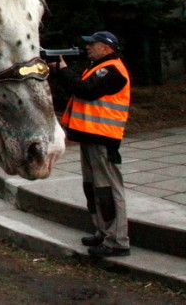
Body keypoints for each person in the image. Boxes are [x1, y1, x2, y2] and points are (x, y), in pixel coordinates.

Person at [51, 30, 132, 258]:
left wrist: (64, 70)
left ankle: (117, 240)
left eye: (92, 44)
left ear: (106, 48)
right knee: (94, 188)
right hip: (91, 137)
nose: (88, 47)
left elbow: (85, 90)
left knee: (107, 189)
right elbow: (80, 86)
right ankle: (103, 232)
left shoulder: (113, 70)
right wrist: (62, 72)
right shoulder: (97, 68)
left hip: (103, 139)